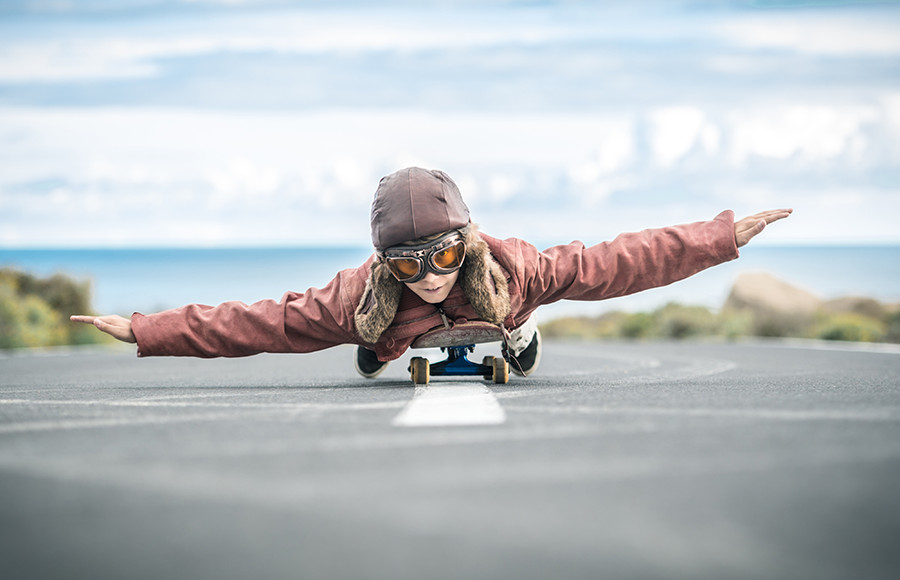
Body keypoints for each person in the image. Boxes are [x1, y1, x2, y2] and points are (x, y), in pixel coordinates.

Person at [72, 167, 791, 378]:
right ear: (384, 263)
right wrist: (144, 327)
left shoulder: (513, 265)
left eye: (445, 255)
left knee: (512, 319)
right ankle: (378, 344)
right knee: (369, 330)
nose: (430, 276)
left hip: (500, 312)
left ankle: (518, 335)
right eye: (408, 265)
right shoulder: (358, 293)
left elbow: (618, 262)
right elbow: (251, 322)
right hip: (383, 327)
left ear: (467, 242)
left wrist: (720, 235)